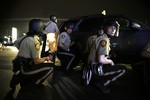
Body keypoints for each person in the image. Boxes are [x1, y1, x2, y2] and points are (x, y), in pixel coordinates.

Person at [9, 19, 54, 89]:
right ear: (38, 28)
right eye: (42, 29)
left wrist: (24, 51)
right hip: (25, 69)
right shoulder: (34, 41)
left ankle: (20, 77)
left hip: (18, 66)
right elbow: (37, 61)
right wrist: (47, 58)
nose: (43, 31)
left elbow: (16, 42)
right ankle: (35, 83)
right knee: (51, 66)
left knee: (31, 63)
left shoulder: (24, 37)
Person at [85, 20, 125, 93]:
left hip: (90, 65)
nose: (113, 30)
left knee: (110, 58)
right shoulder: (104, 40)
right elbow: (101, 60)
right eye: (110, 28)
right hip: (96, 68)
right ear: (105, 29)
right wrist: (111, 61)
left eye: (114, 28)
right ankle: (101, 83)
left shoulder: (101, 37)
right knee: (122, 69)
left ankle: (105, 79)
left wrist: (117, 26)